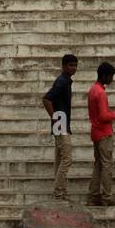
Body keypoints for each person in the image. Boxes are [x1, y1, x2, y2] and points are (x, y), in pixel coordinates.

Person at [87, 61, 115, 207]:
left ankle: (93, 196)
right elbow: (103, 116)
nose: (112, 79)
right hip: (104, 133)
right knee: (106, 165)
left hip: (96, 132)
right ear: (104, 76)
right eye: (110, 76)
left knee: (98, 165)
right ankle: (107, 197)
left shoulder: (93, 90)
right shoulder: (101, 92)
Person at [42, 54, 78, 202]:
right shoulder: (62, 81)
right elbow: (46, 99)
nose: (73, 68)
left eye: (75, 65)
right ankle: (58, 193)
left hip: (61, 122)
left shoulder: (66, 81)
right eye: (70, 65)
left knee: (60, 158)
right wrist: (54, 116)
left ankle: (60, 193)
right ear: (63, 66)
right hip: (60, 122)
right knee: (67, 159)